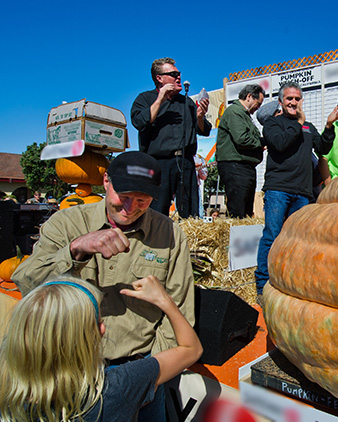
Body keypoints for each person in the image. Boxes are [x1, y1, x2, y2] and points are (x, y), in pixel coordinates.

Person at [12, 151, 196, 421]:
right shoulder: (66, 223)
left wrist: (150, 374)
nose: (130, 208)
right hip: (69, 372)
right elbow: (27, 284)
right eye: (124, 196)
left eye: (142, 200)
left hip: (139, 371)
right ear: (106, 181)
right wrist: (75, 250)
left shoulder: (169, 234)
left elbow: (179, 304)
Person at [0, 276, 202, 422]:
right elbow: (191, 349)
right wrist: (164, 300)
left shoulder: (8, 390)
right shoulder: (119, 386)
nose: (103, 327)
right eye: (97, 322)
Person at [255, 82, 338, 297]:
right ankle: (262, 285)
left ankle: (290, 281)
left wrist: (329, 126)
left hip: (303, 192)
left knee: (297, 240)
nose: (293, 102)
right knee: (272, 235)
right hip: (278, 189)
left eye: (297, 99)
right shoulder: (272, 125)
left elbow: (322, 148)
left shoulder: (308, 127)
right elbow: (281, 144)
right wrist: (299, 122)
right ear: (281, 102)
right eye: (289, 99)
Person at [131, 57, 212, 218]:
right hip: (159, 163)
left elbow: (204, 130)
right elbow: (140, 122)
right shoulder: (145, 99)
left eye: (179, 73)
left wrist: (200, 116)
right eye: (173, 74)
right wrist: (160, 98)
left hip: (185, 162)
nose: (178, 77)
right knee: (156, 209)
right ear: (159, 78)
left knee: (191, 213)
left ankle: (189, 241)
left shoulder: (186, 102)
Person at [216, 84, 265, 218]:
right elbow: (242, 138)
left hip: (244, 166)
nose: (258, 107)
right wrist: (262, 142)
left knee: (246, 212)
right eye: (258, 103)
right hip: (235, 166)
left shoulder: (245, 115)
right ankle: (235, 237)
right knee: (238, 211)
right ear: (249, 97)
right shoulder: (234, 111)